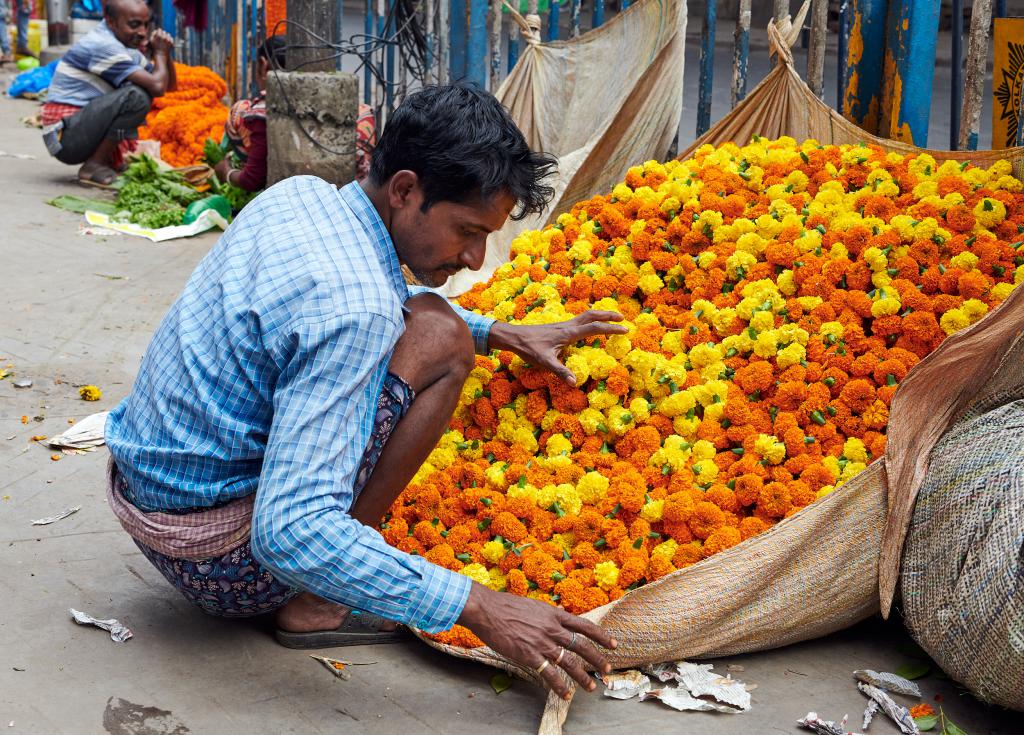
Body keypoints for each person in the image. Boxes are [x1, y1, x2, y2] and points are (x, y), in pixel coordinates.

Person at [105, 84, 623, 700]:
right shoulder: (357, 311)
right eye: (466, 230)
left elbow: (343, 297)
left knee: (443, 320)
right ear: (405, 190)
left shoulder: (300, 198)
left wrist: (498, 332)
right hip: (217, 566)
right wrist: (481, 607)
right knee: (443, 340)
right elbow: (290, 533)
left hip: (150, 508)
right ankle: (316, 603)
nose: (476, 257)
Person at [215, 35, 376, 192]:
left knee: (240, 111)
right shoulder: (353, 109)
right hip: (356, 191)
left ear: (264, 66)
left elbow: (253, 179)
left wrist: (226, 171)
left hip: (300, 194)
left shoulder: (261, 112)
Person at [40, 0, 176, 185]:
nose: (143, 32)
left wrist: (165, 53)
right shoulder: (103, 45)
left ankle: (103, 161)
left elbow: (168, 87)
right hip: (65, 137)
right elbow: (157, 86)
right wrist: (159, 54)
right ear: (111, 21)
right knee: (137, 97)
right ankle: (94, 165)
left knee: (139, 93)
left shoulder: (125, 47)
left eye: (146, 24)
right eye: (134, 24)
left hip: (78, 126)